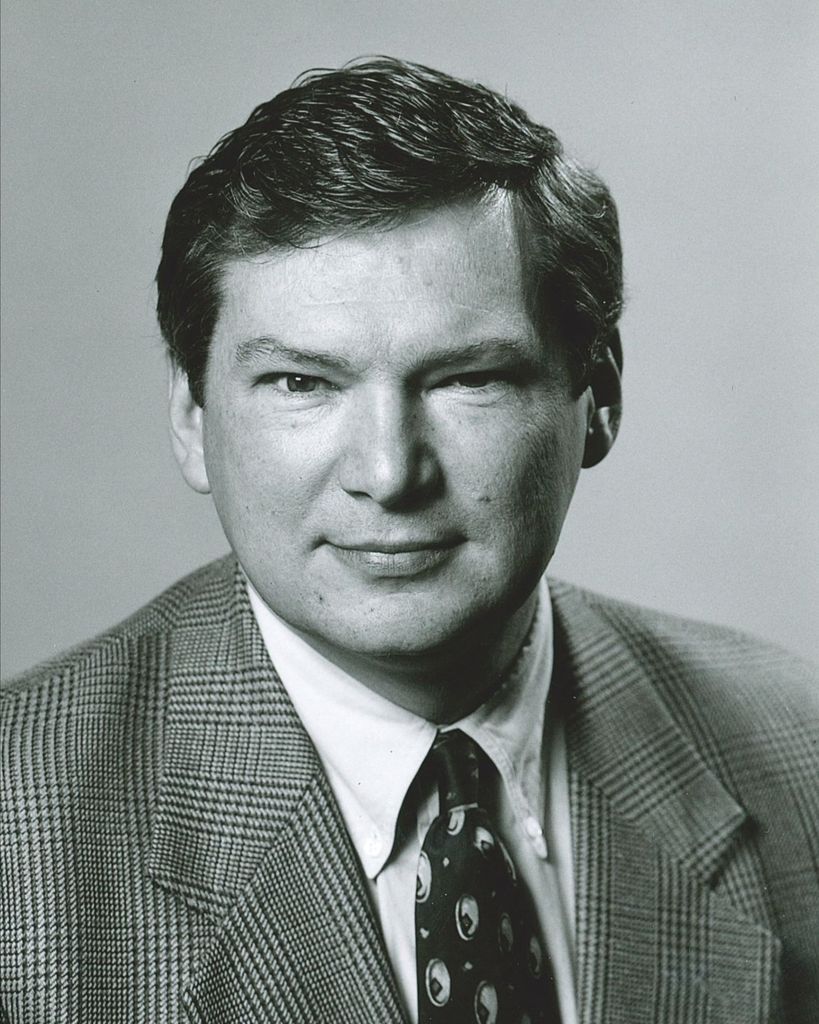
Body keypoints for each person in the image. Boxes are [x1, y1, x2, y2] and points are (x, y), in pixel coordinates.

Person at [1, 57, 817, 1024]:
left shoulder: (797, 749)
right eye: (302, 383)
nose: (389, 474)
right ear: (191, 417)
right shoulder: (22, 827)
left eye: (467, 379)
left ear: (597, 398)